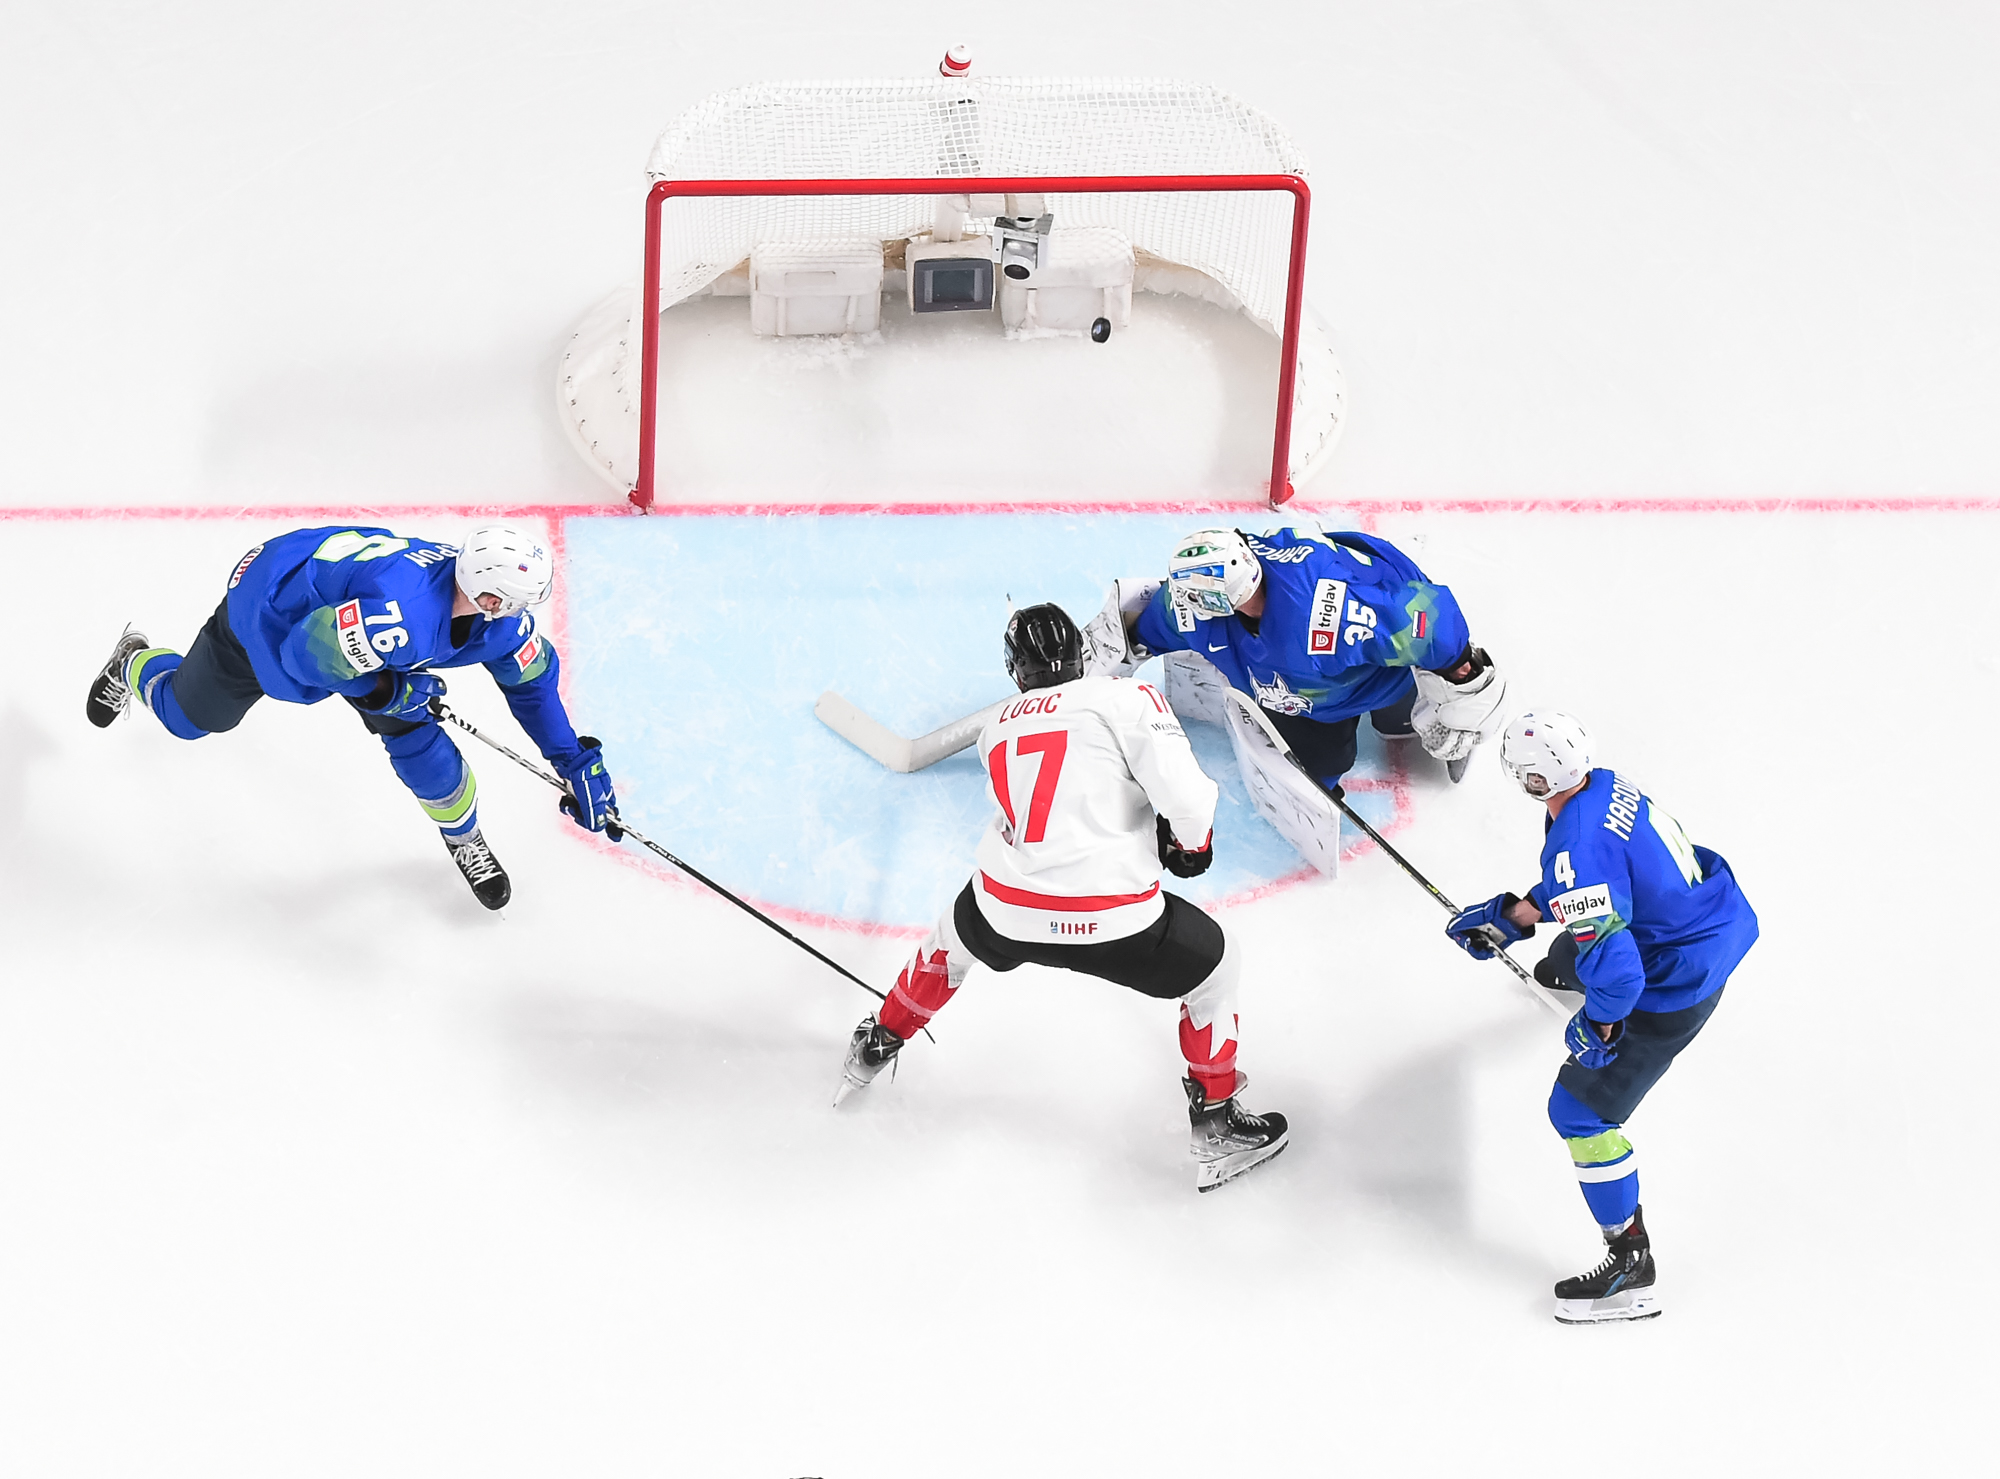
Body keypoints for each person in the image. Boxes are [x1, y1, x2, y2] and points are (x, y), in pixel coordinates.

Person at [833, 602, 1288, 1193]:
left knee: (949, 942)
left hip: (1007, 911)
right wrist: (1190, 848)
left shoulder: (996, 726)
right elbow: (1189, 798)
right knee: (1216, 970)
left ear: (1014, 670)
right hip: (1115, 919)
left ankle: (876, 1044)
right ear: (1079, 652)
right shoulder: (1126, 696)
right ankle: (1217, 1121)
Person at [84, 524, 621, 909]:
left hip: (353, 624)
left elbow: (532, 685)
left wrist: (571, 758)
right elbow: (303, 657)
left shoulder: (480, 616)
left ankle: (464, 837)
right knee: (188, 717)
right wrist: (388, 690)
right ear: (488, 597)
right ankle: (133, 661)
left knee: (427, 755)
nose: (521, 615)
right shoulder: (402, 614)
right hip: (274, 607)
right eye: (515, 602)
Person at [1445, 712, 1758, 1324]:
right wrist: (1515, 918)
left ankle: (1630, 1263)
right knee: (1573, 952)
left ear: (1534, 781)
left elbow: (1617, 974)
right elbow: (1597, 878)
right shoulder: (1603, 786)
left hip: (1677, 982)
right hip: (1704, 924)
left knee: (1579, 1113)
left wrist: (1601, 1025)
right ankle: (1572, 969)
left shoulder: (1576, 843)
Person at [1081, 526, 1510, 788]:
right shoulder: (1207, 600)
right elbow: (1147, 623)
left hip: (1383, 669)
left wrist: (1463, 686)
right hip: (1313, 696)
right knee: (1322, 765)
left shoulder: (1330, 619)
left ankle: (1394, 710)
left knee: (1396, 716)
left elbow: (1429, 621)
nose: (1183, 602)